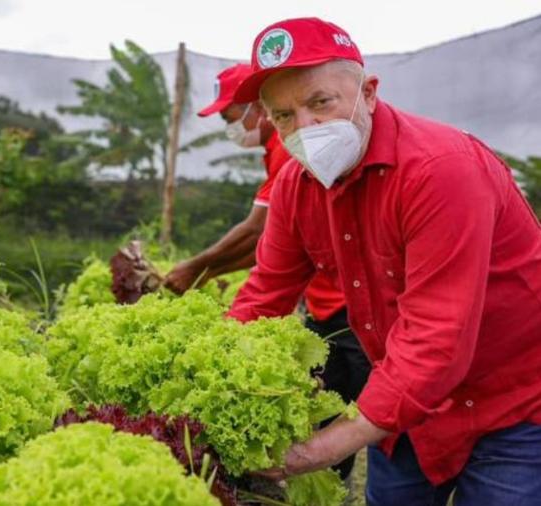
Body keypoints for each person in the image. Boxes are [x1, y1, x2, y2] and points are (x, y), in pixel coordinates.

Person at [227, 17, 541, 505]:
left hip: (511, 404)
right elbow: (266, 292)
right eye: (284, 115)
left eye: (320, 102)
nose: (305, 128)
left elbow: (438, 334)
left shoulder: (440, 170)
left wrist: (321, 447)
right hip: (407, 407)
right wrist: (209, 372)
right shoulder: (294, 187)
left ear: (368, 93)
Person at [165, 63, 370, 480]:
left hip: (351, 306)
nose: (231, 129)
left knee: (349, 410)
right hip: (326, 303)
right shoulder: (284, 152)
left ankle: (332, 478)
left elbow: (256, 230)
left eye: (229, 118)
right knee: (334, 401)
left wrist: (194, 268)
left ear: (254, 110)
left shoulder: (292, 146)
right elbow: (274, 256)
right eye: (285, 114)